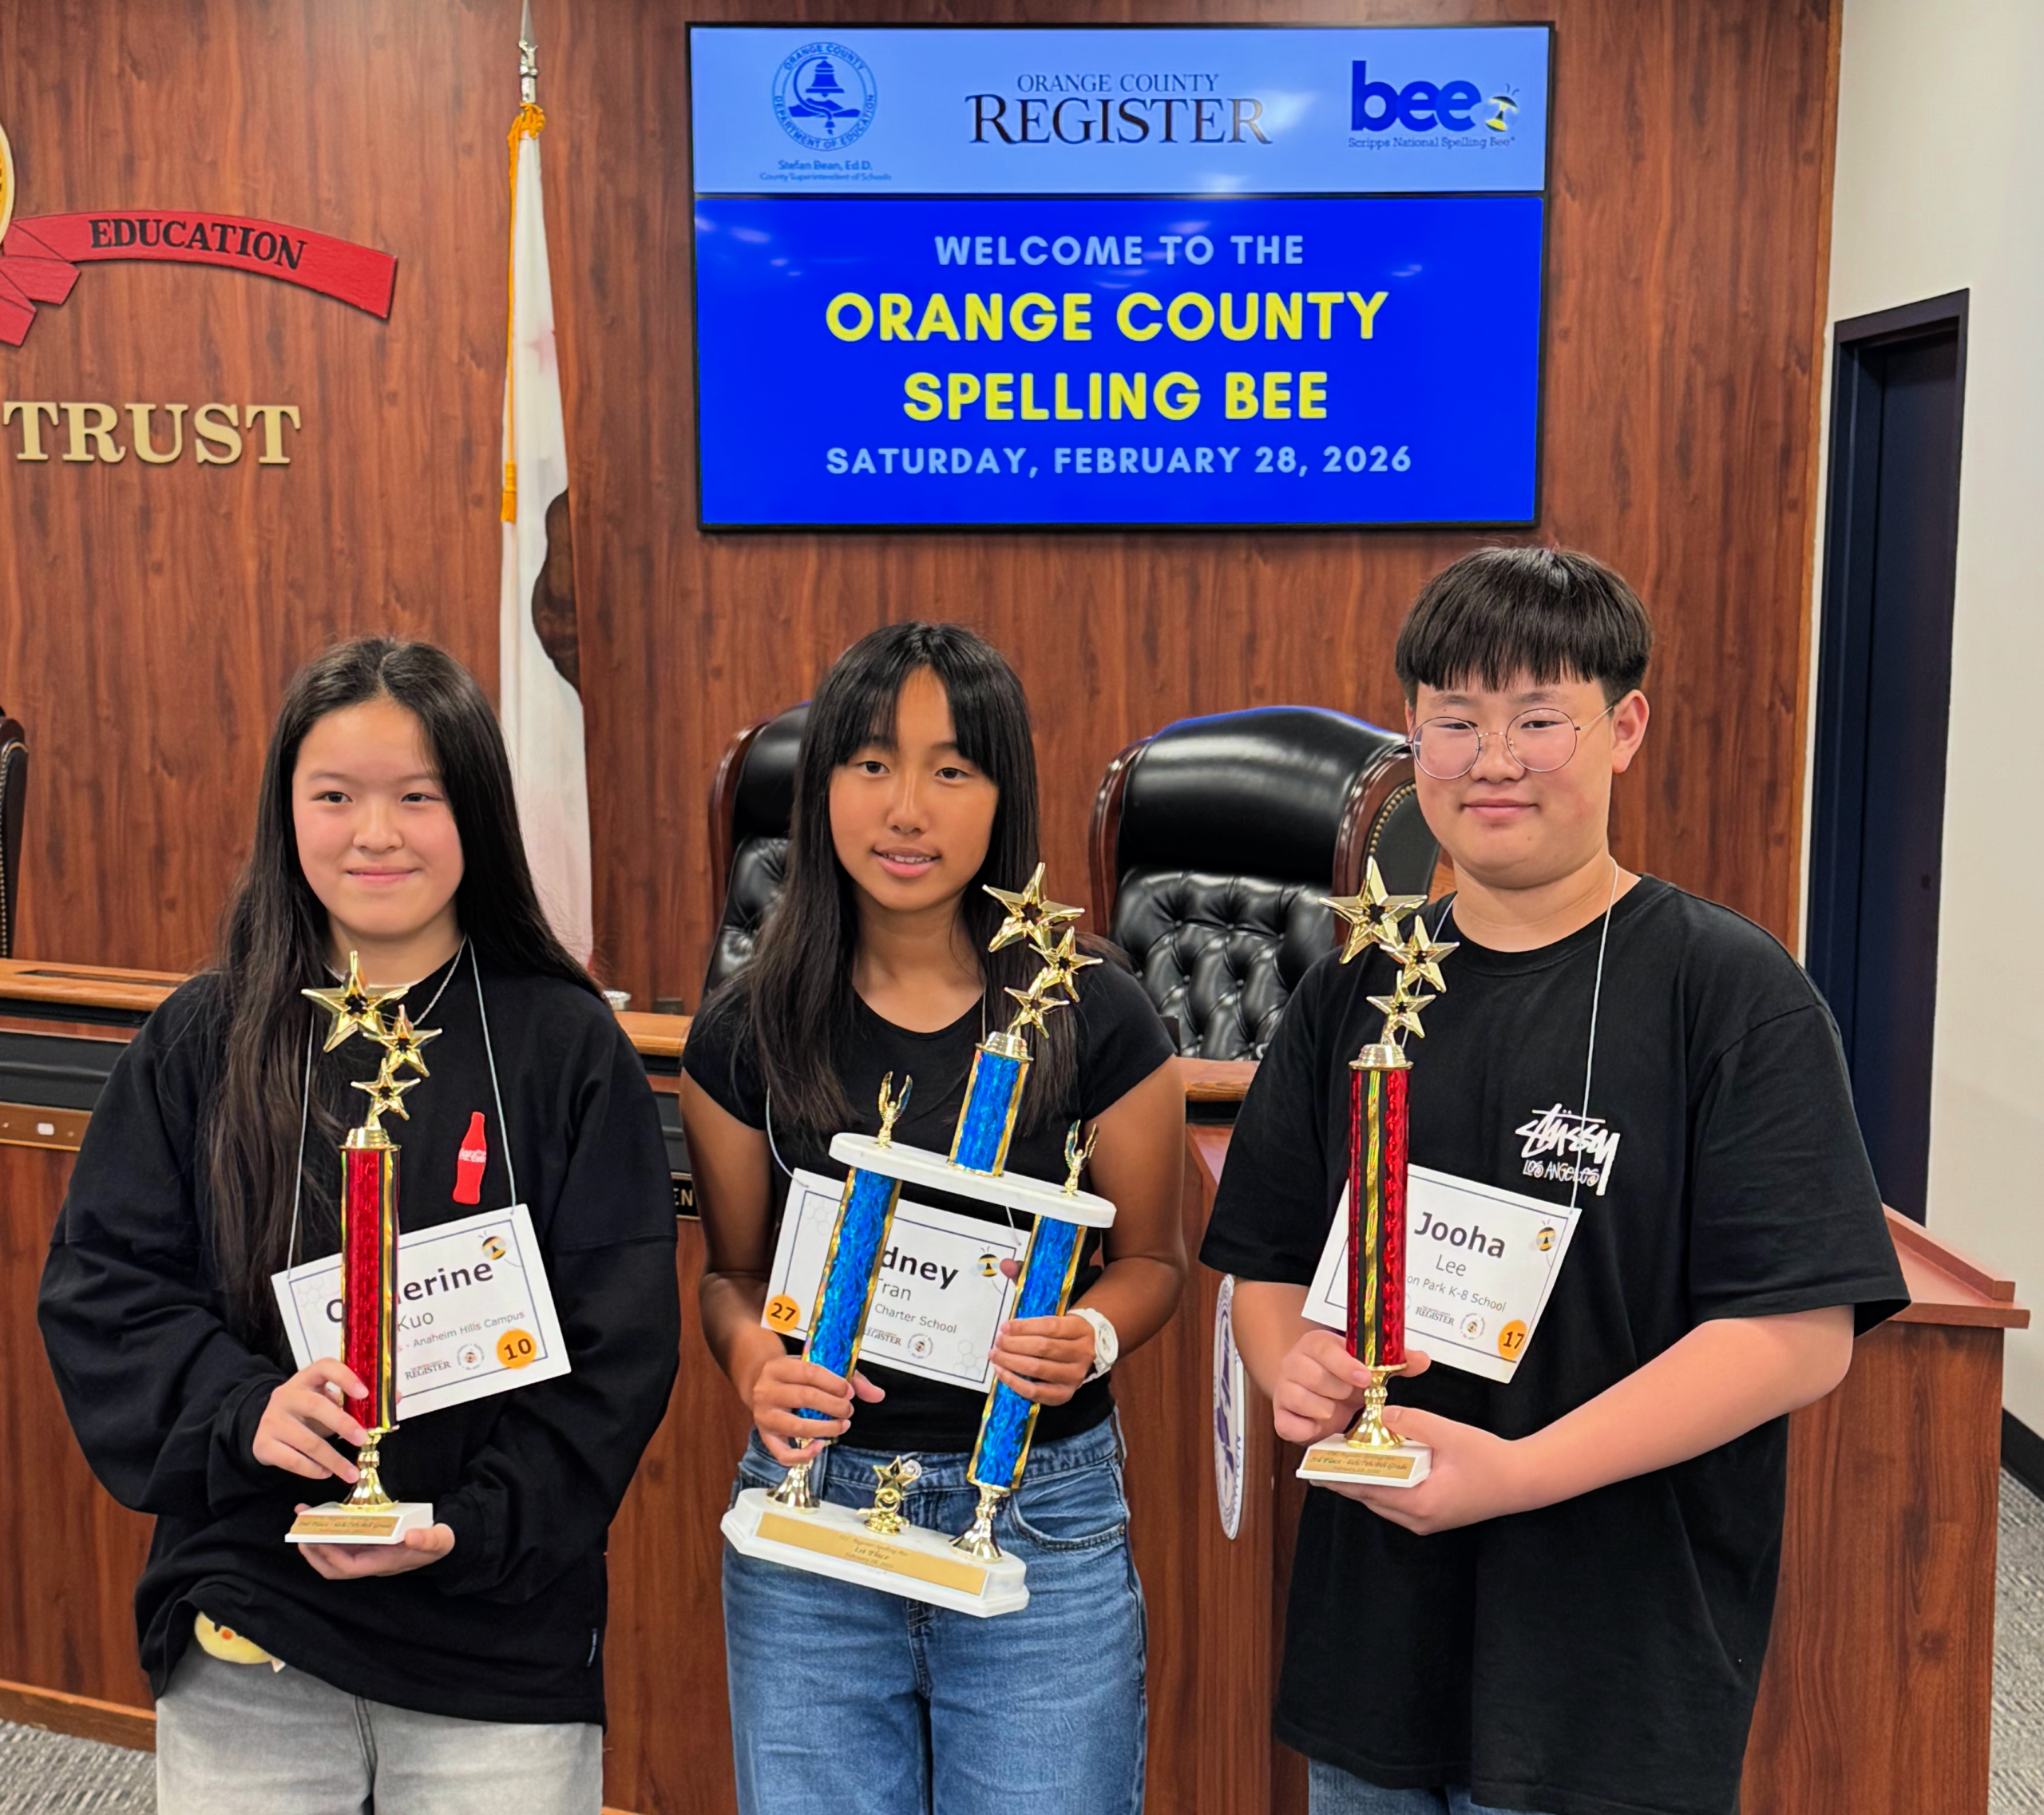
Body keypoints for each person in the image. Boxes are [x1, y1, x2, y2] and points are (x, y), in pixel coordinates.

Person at [1201, 549, 1908, 1815]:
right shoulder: (1351, 990)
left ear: (1623, 728)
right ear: (1411, 731)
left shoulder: (1731, 994)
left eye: (1539, 719)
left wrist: (1518, 1473)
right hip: (1377, 1644)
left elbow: (1801, 1337)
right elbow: (1266, 1265)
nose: (1493, 760)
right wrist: (1285, 1360)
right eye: (1455, 721)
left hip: (1611, 1663)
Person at [38, 637, 681, 1815]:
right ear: (288, 813)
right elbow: (105, 1286)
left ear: (475, 811)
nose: (374, 835)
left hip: (499, 1628)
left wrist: (468, 1525)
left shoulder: (564, 1047)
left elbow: (619, 1347)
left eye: (417, 797)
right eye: (334, 797)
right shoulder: (204, 1038)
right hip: (255, 1603)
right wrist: (245, 1412)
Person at [682, 621, 1185, 1815]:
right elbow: (730, 1276)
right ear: (820, 790)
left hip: (1037, 1513)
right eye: (869, 764)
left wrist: (1094, 1337)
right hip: (812, 1507)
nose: (907, 808)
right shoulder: (745, 1030)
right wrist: (754, 1358)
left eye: (951, 770)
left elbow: (1155, 1260)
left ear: (1003, 795)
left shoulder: (1097, 1012)